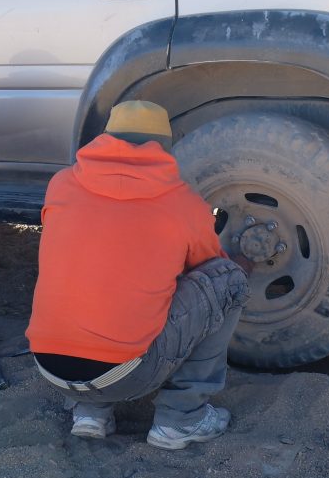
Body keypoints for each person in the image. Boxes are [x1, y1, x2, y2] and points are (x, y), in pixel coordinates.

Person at [26, 101, 251, 450]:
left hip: (51, 370)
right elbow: (209, 272)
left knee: (90, 272)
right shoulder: (182, 202)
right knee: (230, 279)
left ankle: (91, 412)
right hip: (127, 375)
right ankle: (182, 418)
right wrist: (240, 262)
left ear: (105, 139)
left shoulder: (61, 185)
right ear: (163, 147)